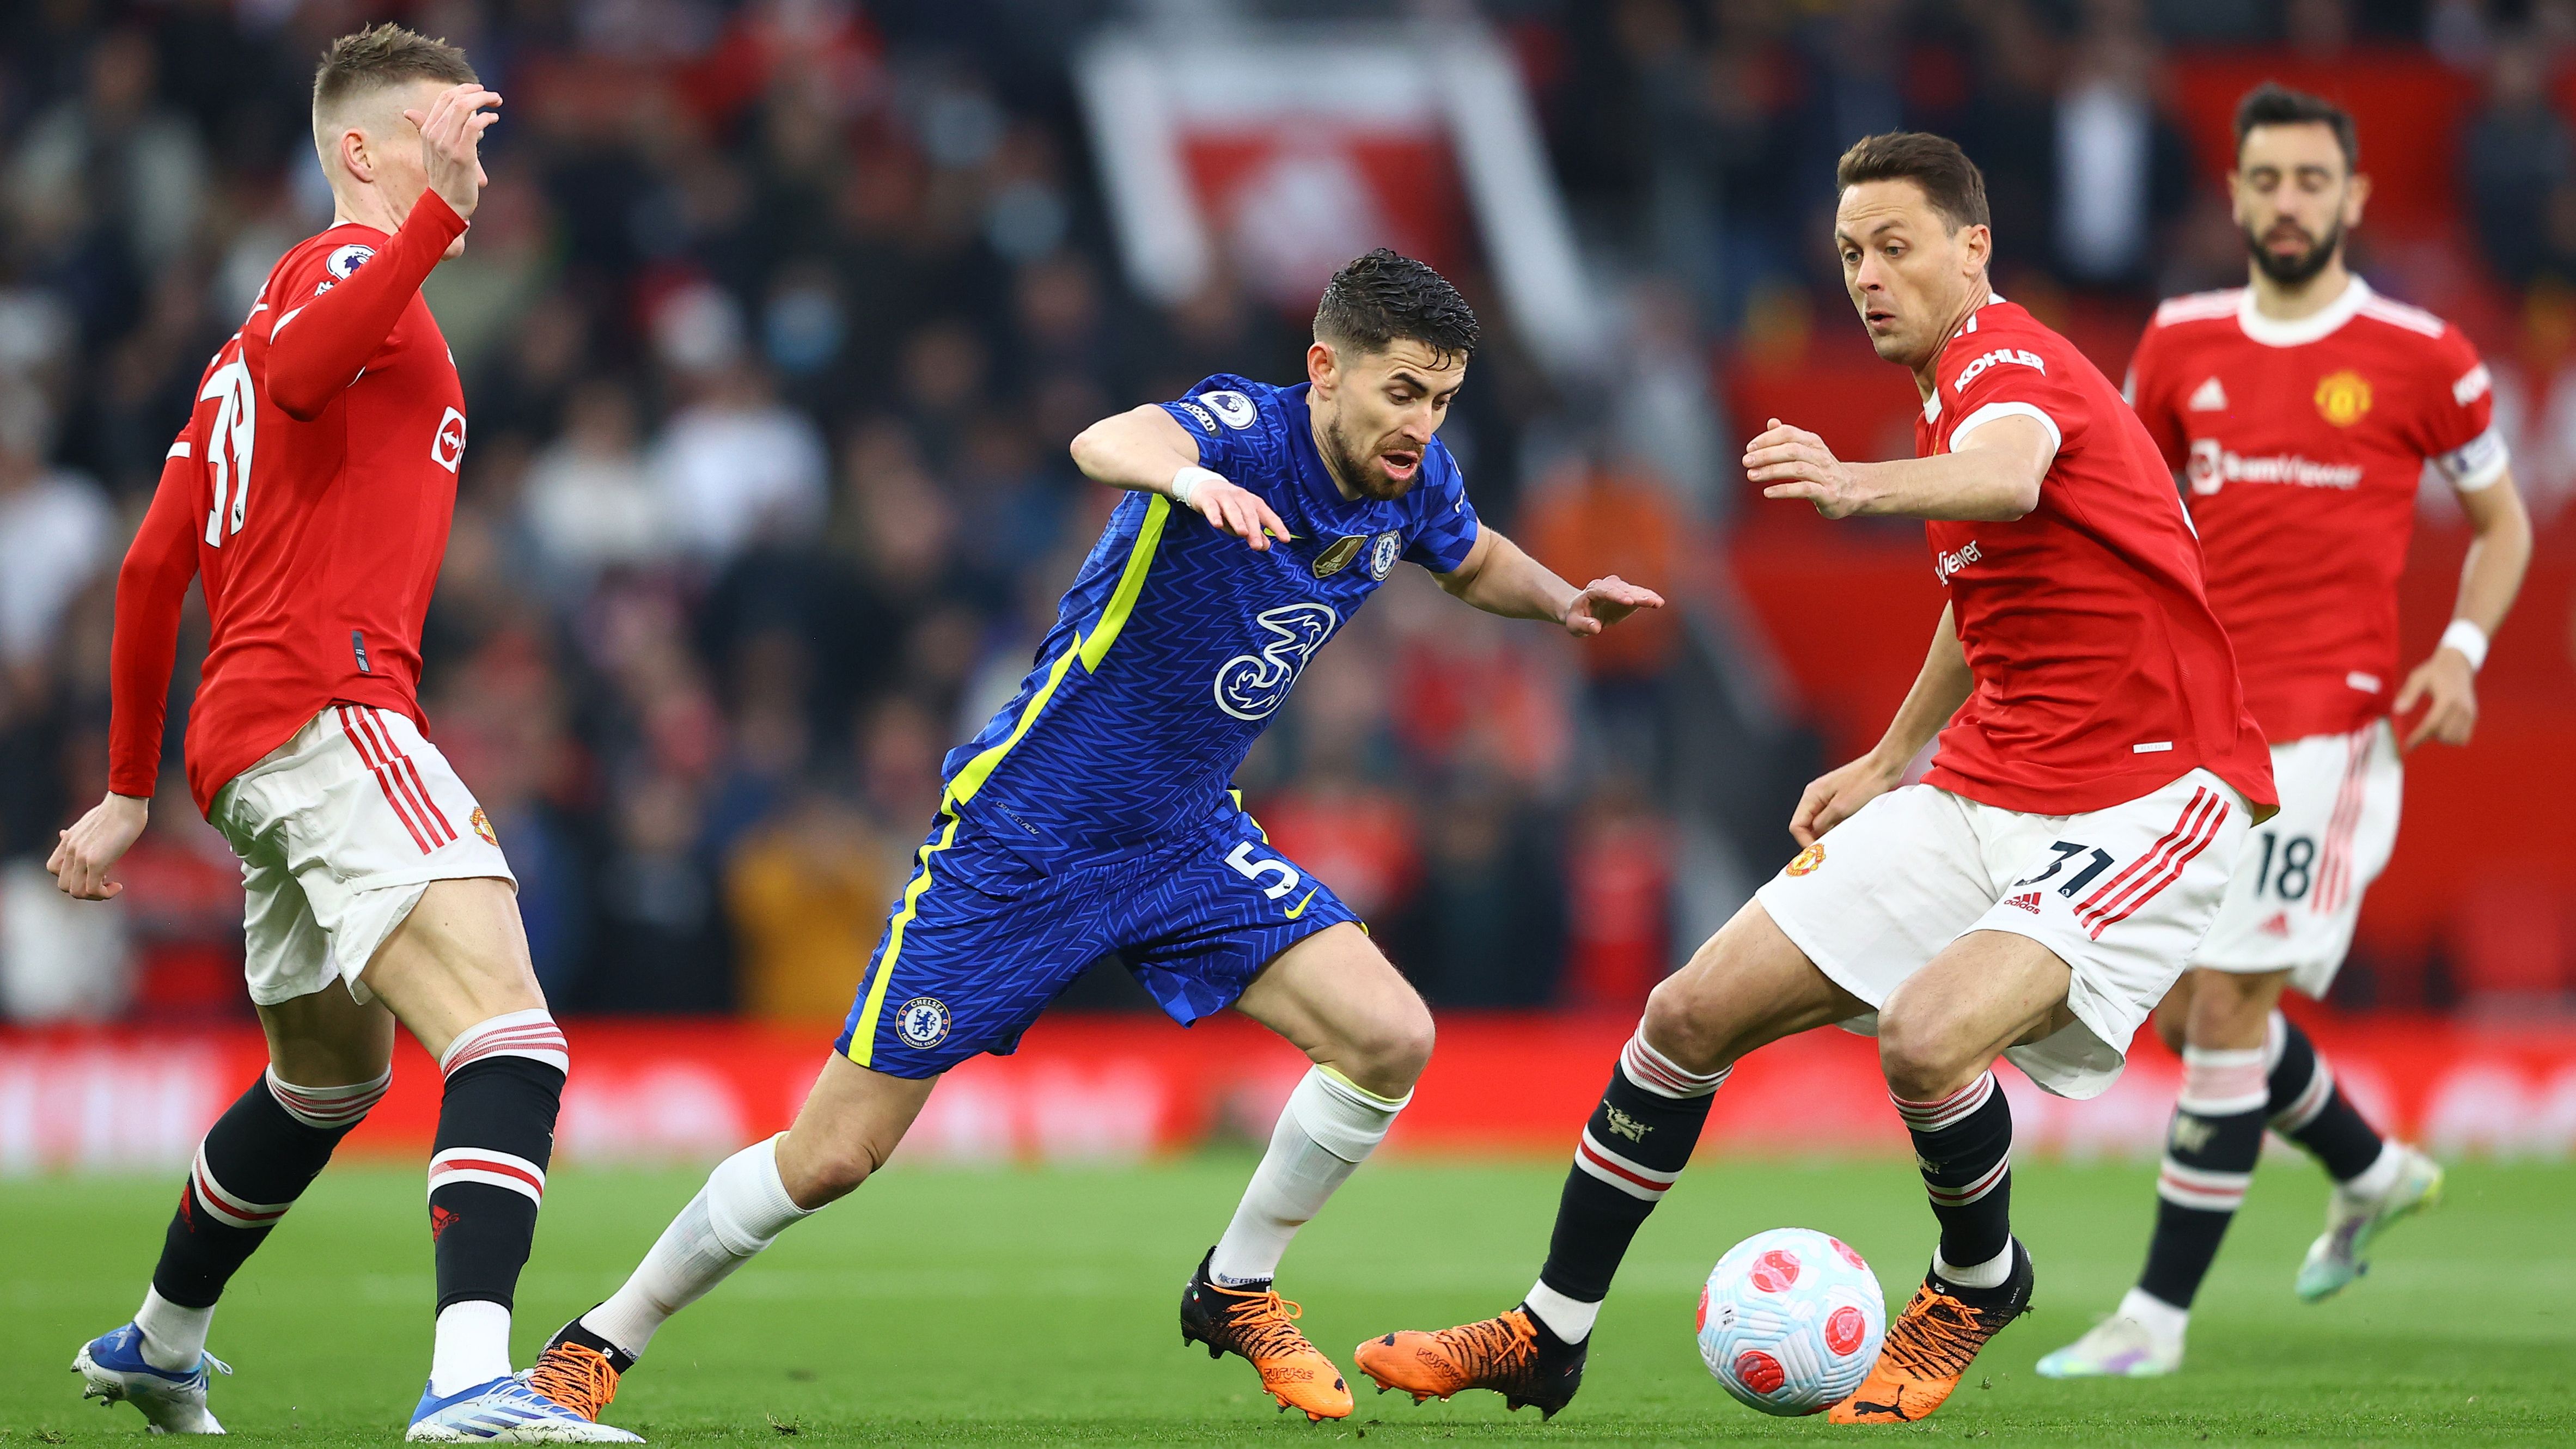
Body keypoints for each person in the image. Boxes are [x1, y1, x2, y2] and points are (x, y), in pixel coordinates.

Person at [515, 248, 1664, 1426]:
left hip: (1182, 840)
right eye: (1401, 391)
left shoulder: (1411, 483)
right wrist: (1186, 481)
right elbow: (1108, 439)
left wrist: (1562, 599)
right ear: (1324, 369)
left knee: (1387, 1034)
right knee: (833, 1155)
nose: (1421, 421)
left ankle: (1236, 1284)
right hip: (1028, 833)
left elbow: (1470, 558)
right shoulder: (1243, 430)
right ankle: (593, 1344)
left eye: (1440, 398)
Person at [1354, 132, 2278, 1426]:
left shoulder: (2003, 361)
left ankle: (1975, 1280)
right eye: (1849, 253)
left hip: (2147, 792)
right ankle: (1547, 1331)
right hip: (1987, 781)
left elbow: (2009, 474)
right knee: (1684, 1015)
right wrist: (1893, 755)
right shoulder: (1950, 392)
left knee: (1926, 1037)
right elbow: (1988, 584)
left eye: (1896, 247)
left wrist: (1851, 484)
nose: (1867, 276)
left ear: (1975, 249)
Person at [50, 25, 636, 1442]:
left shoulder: (234, 358)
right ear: (360, 150)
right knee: (515, 1036)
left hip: (249, 739)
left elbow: (148, 570)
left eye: (474, 136)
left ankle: (158, 1337)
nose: (468, 159)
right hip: (329, 702)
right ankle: (467, 1384)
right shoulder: (343, 275)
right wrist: (433, 219)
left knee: (326, 1079)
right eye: (444, 135)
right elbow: (314, 371)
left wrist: (133, 788)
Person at [2037, 84, 2531, 1381]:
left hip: (2331, 732)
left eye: (2314, 179)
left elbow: (2503, 524)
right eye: (2267, 179)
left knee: (2226, 1005)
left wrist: (2462, 651)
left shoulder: (2426, 356)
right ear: (2237, 195)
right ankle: (2370, 1169)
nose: (2290, 201)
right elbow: (2124, 518)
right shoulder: (2181, 341)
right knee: (2196, 997)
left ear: (2355, 195)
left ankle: (2153, 1316)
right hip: (2196, 731)